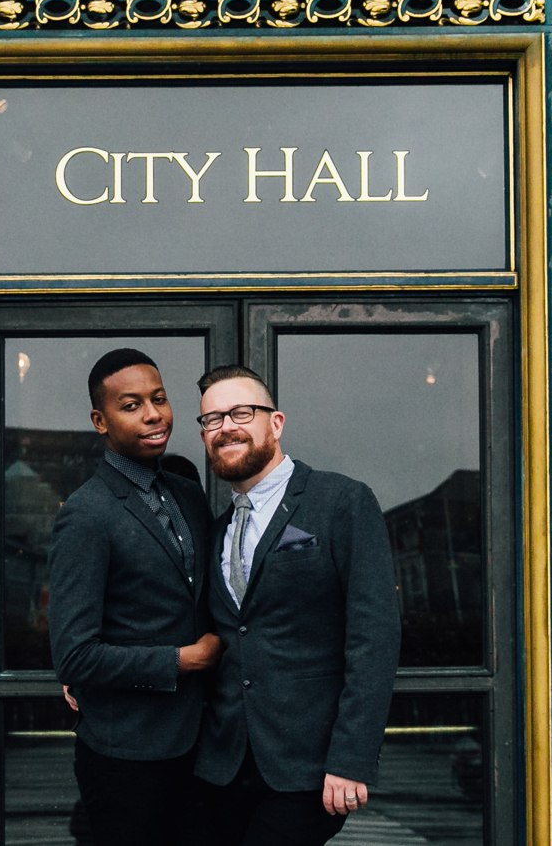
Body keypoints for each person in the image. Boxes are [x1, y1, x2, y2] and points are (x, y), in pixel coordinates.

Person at [191, 363, 399, 846]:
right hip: (221, 768)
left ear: (276, 423)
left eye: (241, 412)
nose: (226, 428)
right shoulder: (217, 528)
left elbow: (374, 638)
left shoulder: (341, 502)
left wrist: (351, 760)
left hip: (309, 769)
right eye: (212, 420)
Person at [49, 347, 222, 846]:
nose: (153, 414)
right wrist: (182, 661)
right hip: (126, 758)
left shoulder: (187, 492)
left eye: (159, 399)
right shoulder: (86, 514)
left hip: (201, 746)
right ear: (100, 421)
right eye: (131, 405)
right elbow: (75, 655)